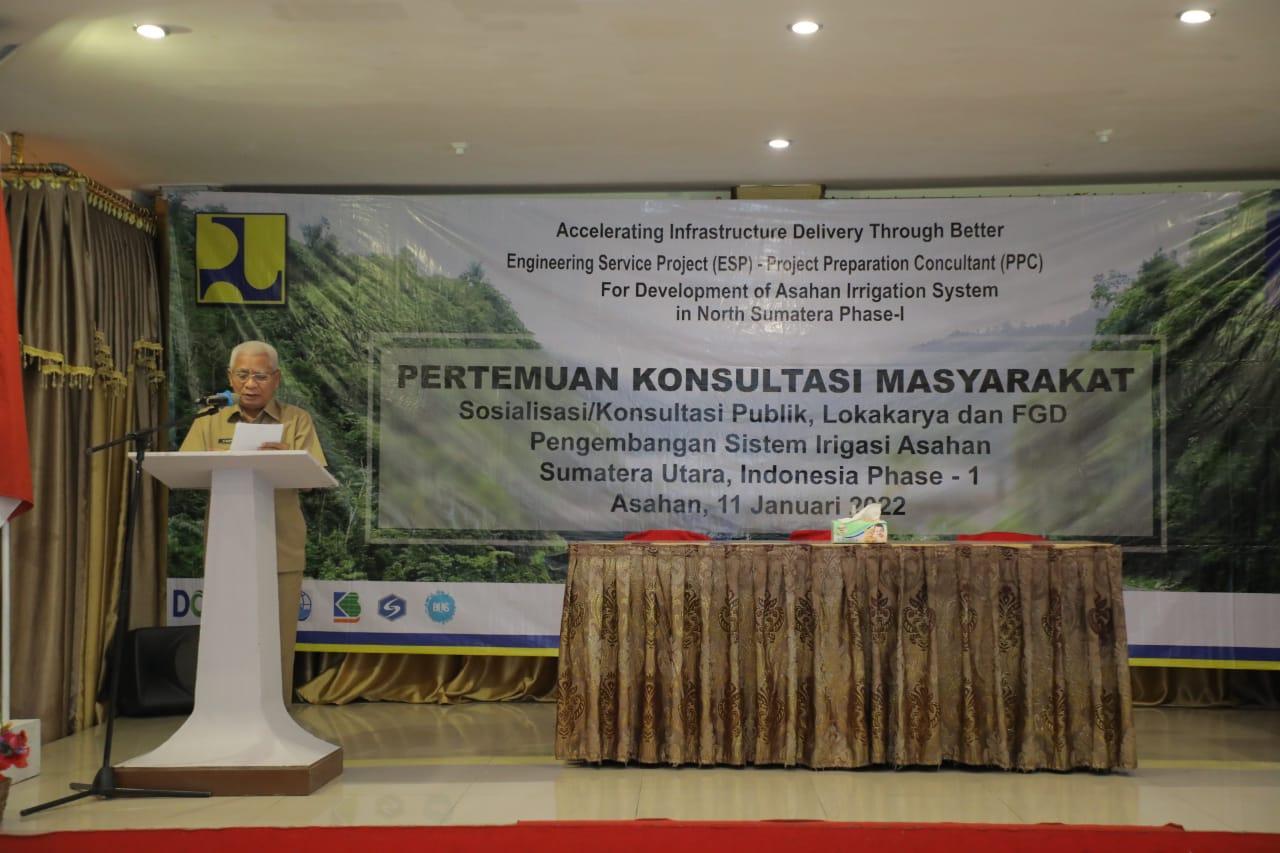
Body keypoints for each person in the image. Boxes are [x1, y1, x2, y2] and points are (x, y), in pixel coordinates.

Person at [179, 340, 326, 703]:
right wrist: (215, 458)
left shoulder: (296, 420)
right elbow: (182, 469)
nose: (250, 384)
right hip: (227, 548)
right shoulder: (208, 420)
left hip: (281, 546)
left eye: (260, 376)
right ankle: (223, 710)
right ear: (230, 377)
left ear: (276, 379)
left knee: (277, 638)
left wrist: (289, 458)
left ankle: (277, 713)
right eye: (243, 375)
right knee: (227, 637)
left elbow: (314, 479)